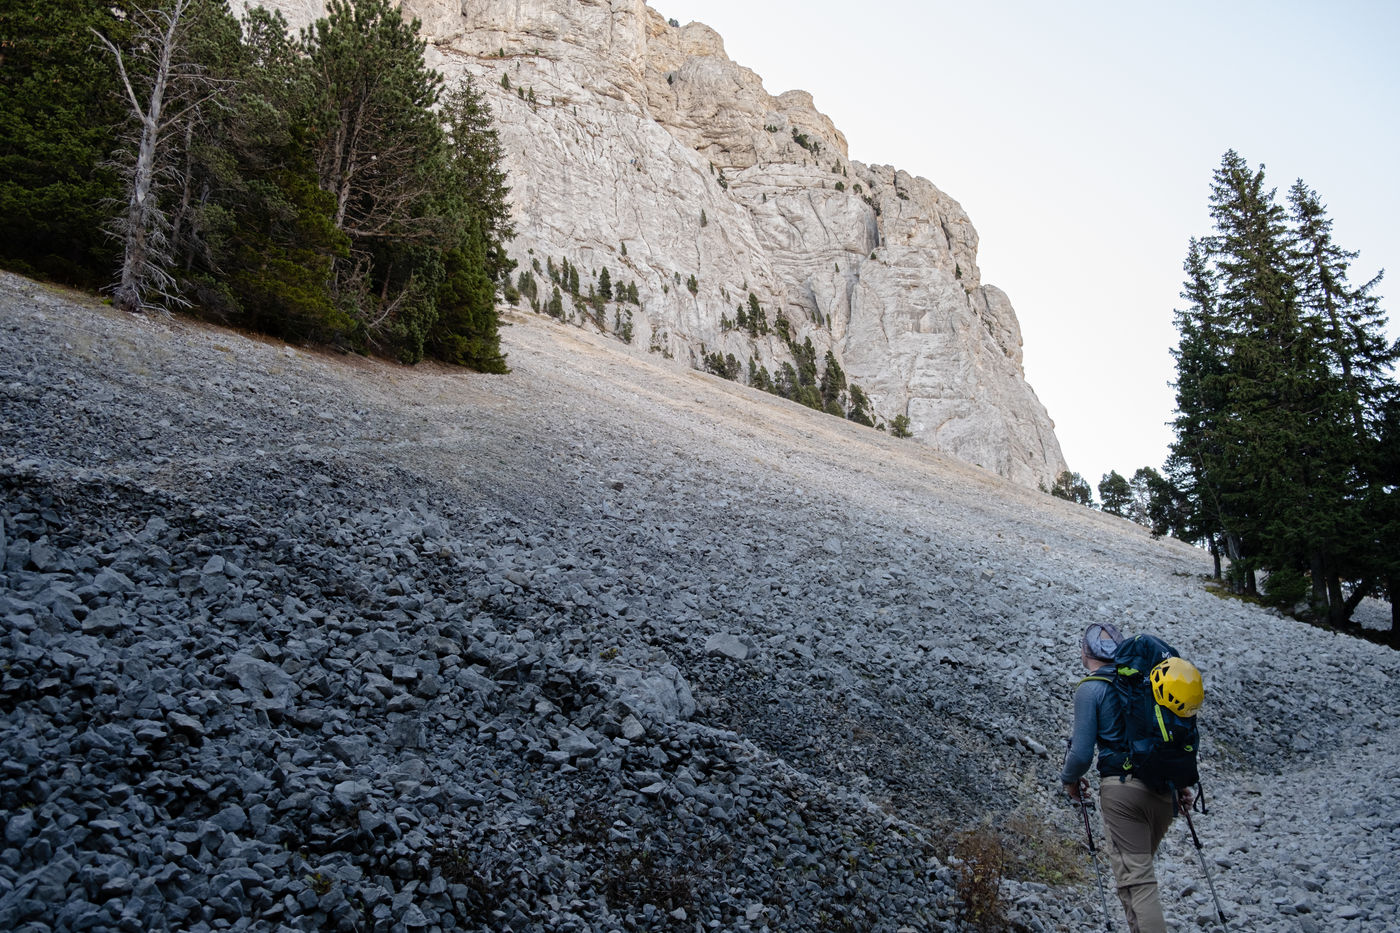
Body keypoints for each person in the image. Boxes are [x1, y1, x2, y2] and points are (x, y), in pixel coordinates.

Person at [1060, 622, 1192, 933]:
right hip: (1164, 790)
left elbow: (1081, 754)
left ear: (1085, 652)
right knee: (1132, 877)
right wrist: (1180, 782)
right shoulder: (1146, 682)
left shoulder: (1090, 688)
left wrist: (1069, 779)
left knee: (1138, 881)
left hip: (1122, 795)